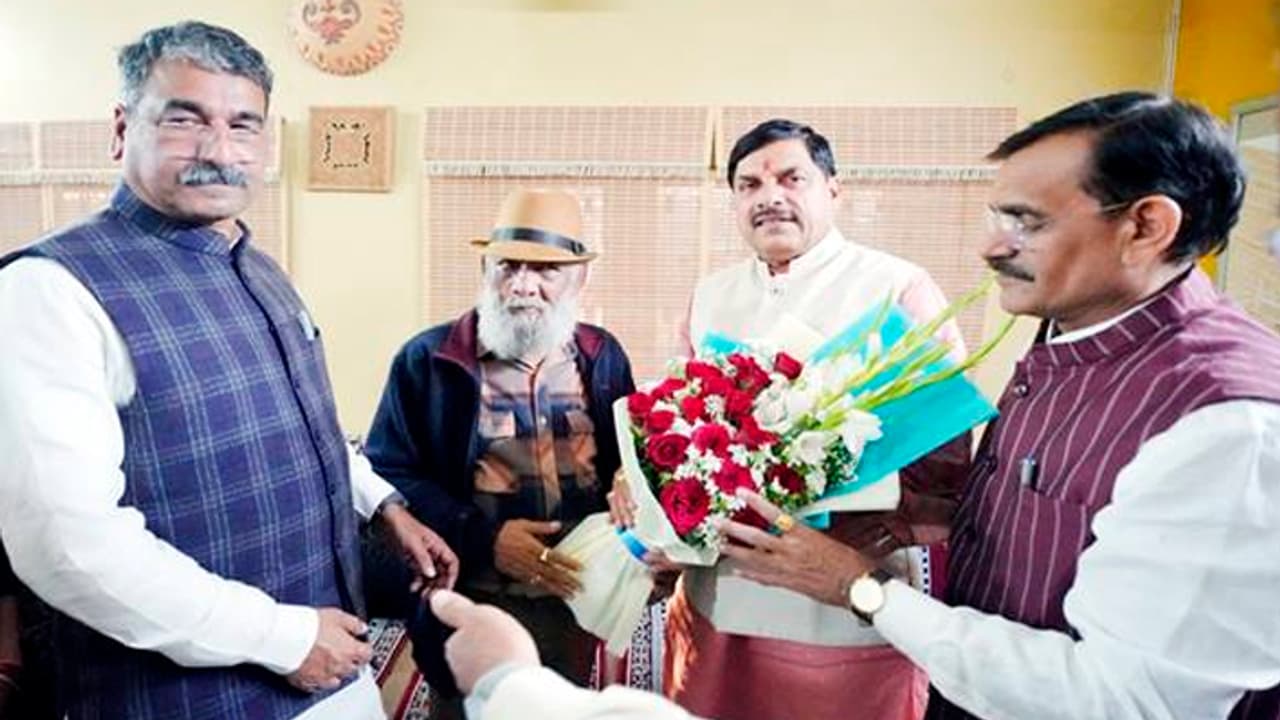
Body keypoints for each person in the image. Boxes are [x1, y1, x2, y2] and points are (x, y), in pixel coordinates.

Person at [716, 92, 1280, 719]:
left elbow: (1127, 700)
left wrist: (859, 587)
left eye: (1026, 222)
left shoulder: (1227, 426)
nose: (991, 247)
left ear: (1145, 227)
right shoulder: (1072, 331)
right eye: (996, 217)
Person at [0, 21, 457, 720]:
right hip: (188, 696)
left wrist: (382, 506)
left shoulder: (257, 266)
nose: (218, 150)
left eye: (243, 125)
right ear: (122, 129)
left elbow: (307, 424)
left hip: (330, 664)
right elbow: (69, 547)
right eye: (185, 120)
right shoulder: (49, 289)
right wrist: (283, 636)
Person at [608, 118, 970, 720]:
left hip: (838, 599)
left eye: (790, 177)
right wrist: (644, 492)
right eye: (748, 185)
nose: (768, 195)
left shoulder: (895, 286)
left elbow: (942, 456)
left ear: (833, 189)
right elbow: (670, 424)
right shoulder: (711, 293)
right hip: (717, 595)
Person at [364, 188, 637, 719]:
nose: (522, 285)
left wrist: (630, 477)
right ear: (485, 268)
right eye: (507, 265)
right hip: (473, 598)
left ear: (580, 279)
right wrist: (487, 541)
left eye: (545, 270)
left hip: (573, 596)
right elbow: (389, 474)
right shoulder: (427, 359)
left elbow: (629, 451)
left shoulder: (603, 356)